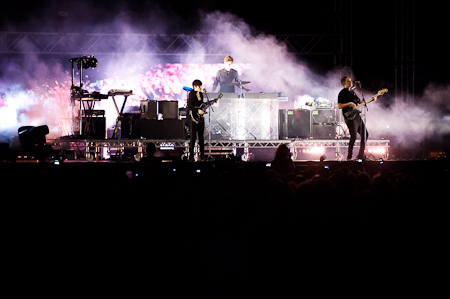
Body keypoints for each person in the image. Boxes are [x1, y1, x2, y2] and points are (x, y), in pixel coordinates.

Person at [337, 76, 369, 161]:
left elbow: (359, 102)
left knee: (365, 134)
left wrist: (371, 99)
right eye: (348, 81)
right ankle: (349, 157)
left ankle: (361, 154)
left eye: (350, 80)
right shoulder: (342, 93)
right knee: (353, 136)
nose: (351, 82)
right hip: (349, 117)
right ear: (344, 83)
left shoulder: (352, 92)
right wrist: (349, 103)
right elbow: (339, 105)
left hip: (357, 116)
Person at [187, 79, 205, 161]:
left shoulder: (201, 94)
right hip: (193, 118)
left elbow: (202, 104)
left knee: (201, 137)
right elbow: (190, 106)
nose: (201, 88)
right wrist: (197, 111)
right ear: (195, 87)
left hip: (200, 118)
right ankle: (191, 156)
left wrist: (203, 109)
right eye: (199, 86)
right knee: (193, 137)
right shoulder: (191, 94)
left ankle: (203, 155)